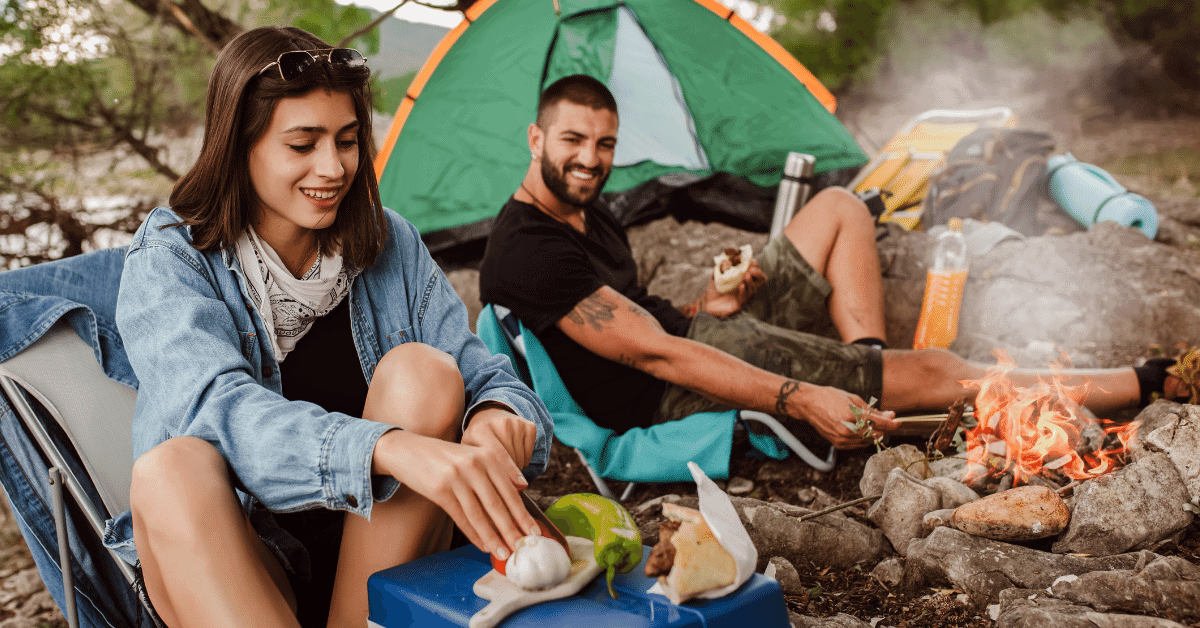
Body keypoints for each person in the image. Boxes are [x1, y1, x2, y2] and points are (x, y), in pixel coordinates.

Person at [105, 26, 553, 628]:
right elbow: (216, 412)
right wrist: (391, 450)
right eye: (302, 145)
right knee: (169, 469)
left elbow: (485, 375)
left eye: (347, 141)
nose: (334, 167)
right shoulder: (172, 256)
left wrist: (495, 416)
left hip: (380, 559)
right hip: (238, 568)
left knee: (426, 372)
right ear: (240, 146)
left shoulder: (387, 239)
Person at [478, 74, 1187, 451]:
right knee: (940, 369)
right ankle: (1145, 379)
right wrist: (797, 396)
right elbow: (655, 356)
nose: (590, 160)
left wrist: (710, 302)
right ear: (537, 135)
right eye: (573, 141)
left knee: (842, 206)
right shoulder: (527, 248)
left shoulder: (586, 205)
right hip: (665, 390)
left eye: (604, 145)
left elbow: (652, 320)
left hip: (691, 336)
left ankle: (869, 369)